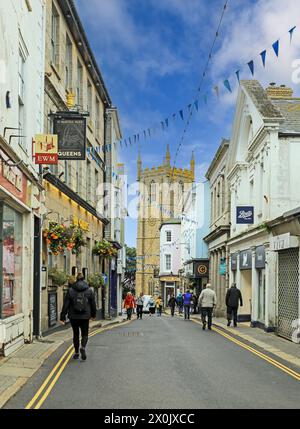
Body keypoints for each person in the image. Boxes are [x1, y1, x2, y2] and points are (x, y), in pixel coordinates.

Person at [60, 273, 96, 361]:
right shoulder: (89, 290)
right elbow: (93, 305)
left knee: (75, 334)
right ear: (84, 279)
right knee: (85, 334)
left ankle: (76, 352)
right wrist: (93, 315)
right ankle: (83, 347)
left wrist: (62, 317)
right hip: (85, 316)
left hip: (73, 316)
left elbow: (66, 305)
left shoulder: (71, 290)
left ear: (76, 279)